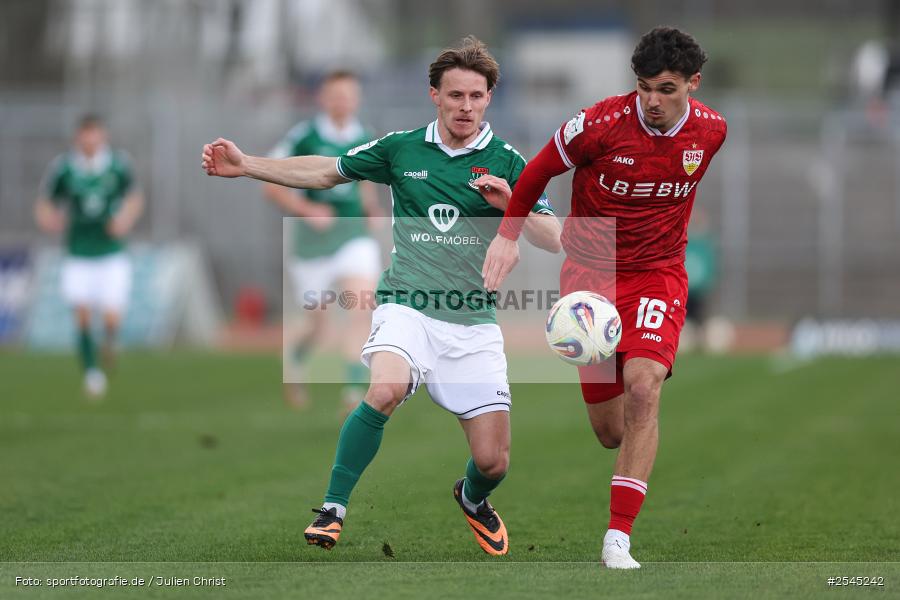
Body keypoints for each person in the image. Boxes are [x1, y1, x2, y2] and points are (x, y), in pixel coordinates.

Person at [202, 36, 561, 556]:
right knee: (385, 389)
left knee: (493, 462)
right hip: (407, 303)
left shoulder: (508, 162)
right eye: (455, 95)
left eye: (476, 96)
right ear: (434, 94)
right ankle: (332, 509)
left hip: (471, 319)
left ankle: (473, 498)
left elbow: (554, 237)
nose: (465, 106)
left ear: (489, 99)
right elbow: (327, 171)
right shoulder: (400, 148)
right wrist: (248, 165)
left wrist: (514, 205)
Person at [482, 27, 727, 568]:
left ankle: (618, 538)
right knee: (609, 430)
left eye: (666, 89)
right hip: (590, 277)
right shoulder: (597, 126)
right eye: (644, 88)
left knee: (644, 390)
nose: (653, 101)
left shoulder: (712, 131)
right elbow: (539, 170)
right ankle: (623, 411)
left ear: (693, 84)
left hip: (658, 275)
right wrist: (507, 234)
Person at [263, 70, 383, 412]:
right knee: (320, 326)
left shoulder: (366, 135)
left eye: (349, 95)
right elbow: (269, 184)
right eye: (336, 95)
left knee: (361, 305)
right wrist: (306, 209)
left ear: (357, 99)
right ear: (323, 99)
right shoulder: (304, 137)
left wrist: (371, 207)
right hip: (311, 245)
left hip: (352, 235)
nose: (343, 101)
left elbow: (364, 181)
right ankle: (296, 358)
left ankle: (352, 391)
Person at [35, 114, 144, 399]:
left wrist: (124, 219)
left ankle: (109, 342)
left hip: (111, 254)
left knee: (110, 320)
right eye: (85, 134)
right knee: (82, 314)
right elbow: (45, 202)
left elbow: (134, 198)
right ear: (78, 137)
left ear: (103, 136)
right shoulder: (65, 168)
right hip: (78, 253)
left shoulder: (118, 165)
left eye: (94, 133)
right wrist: (49, 219)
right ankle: (92, 374)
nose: (90, 139)